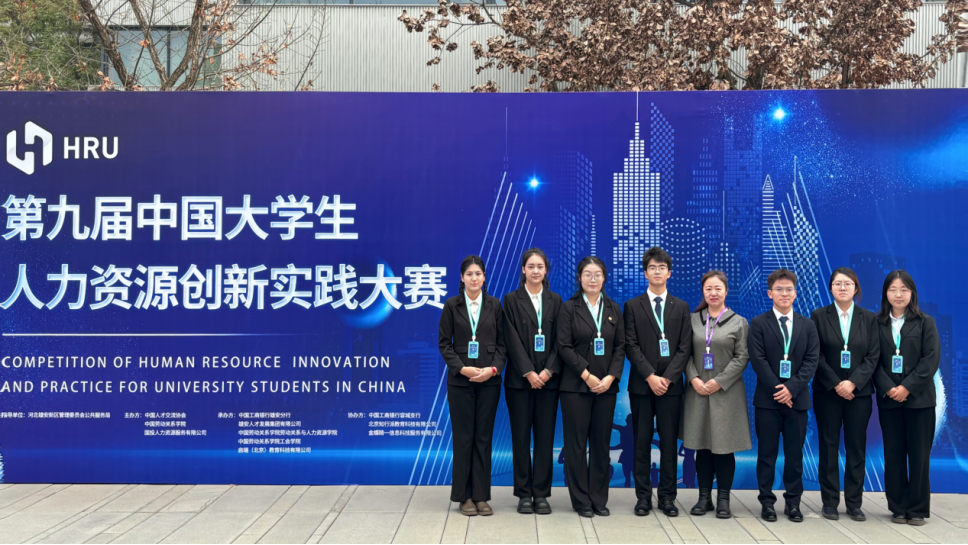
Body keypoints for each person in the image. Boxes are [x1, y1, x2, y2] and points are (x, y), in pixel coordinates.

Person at [623, 247, 692, 517]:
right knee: (640, 442)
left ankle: (667, 497)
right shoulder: (632, 306)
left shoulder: (681, 307)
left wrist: (667, 378)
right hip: (642, 386)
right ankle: (643, 497)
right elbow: (631, 345)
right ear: (645, 273)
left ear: (669, 273)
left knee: (668, 444)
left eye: (662, 268)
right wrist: (650, 376)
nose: (657, 272)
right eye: (652, 267)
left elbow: (684, 348)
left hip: (671, 388)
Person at [748, 269, 819, 523]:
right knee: (766, 454)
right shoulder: (758, 323)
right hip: (767, 402)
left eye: (789, 289)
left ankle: (793, 502)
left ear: (795, 293)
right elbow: (758, 361)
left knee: (794, 455)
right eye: (779, 289)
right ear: (770, 293)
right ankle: (767, 502)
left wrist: (792, 389)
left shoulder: (808, 325)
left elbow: (811, 361)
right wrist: (780, 390)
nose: (784, 293)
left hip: (797, 402)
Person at [438, 255, 507, 517]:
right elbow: (444, 343)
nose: (474, 278)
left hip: (489, 381)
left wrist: (492, 370)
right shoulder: (451, 305)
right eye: (469, 274)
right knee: (463, 438)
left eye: (478, 274)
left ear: (484, 277)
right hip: (460, 382)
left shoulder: (494, 305)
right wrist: (462, 368)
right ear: (462, 277)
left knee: (483, 438)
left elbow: (502, 344)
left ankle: (481, 496)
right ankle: (463, 496)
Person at [557, 256, 625, 518]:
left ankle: (598, 498)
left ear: (604, 278)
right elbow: (564, 346)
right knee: (575, 445)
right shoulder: (568, 308)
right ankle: (581, 500)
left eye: (597, 274)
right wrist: (586, 374)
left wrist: (610, 378)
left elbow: (620, 347)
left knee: (601, 444)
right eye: (587, 274)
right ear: (579, 278)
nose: (593, 279)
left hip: (606, 388)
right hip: (575, 386)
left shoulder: (613, 308)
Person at [810, 268, 879, 522]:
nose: (842, 287)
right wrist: (837, 384)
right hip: (827, 393)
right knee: (828, 446)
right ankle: (829, 502)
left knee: (856, 447)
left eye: (847, 283)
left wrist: (853, 383)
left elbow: (873, 356)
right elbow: (815, 354)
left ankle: (854, 503)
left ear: (856, 288)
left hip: (858, 394)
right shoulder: (818, 316)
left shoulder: (868, 318)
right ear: (831, 288)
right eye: (837, 283)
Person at [682, 270, 750, 519]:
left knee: (724, 447)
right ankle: (704, 498)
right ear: (703, 291)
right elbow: (684, 353)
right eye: (708, 289)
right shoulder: (692, 320)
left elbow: (742, 357)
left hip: (727, 393)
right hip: (698, 391)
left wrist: (719, 382)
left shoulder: (739, 322)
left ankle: (723, 499)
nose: (713, 293)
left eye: (718, 288)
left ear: (726, 291)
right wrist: (694, 379)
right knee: (702, 446)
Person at [874, 270, 939, 527]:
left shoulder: (925, 322)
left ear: (912, 293)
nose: (898, 294)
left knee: (919, 456)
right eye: (893, 289)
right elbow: (872, 360)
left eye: (904, 289)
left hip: (920, 401)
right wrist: (890, 388)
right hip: (889, 400)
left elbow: (930, 360)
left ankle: (917, 508)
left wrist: (907, 387)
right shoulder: (876, 323)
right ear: (886, 293)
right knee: (894, 455)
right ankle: (898, 507)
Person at [503, 248, 563, 515]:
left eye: (540, 266)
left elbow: (561, 340)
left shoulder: (556, 300)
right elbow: (510, 339)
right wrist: (528, 371)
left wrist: (548, 371)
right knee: (520, 438)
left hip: (549, 382)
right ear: (523, 270)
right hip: (519, 382)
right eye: (531, 266)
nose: (536, 271)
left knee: (544, 438)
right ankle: (523, 494)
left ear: (546, 270)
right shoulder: (511, 300)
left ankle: (541, 493)